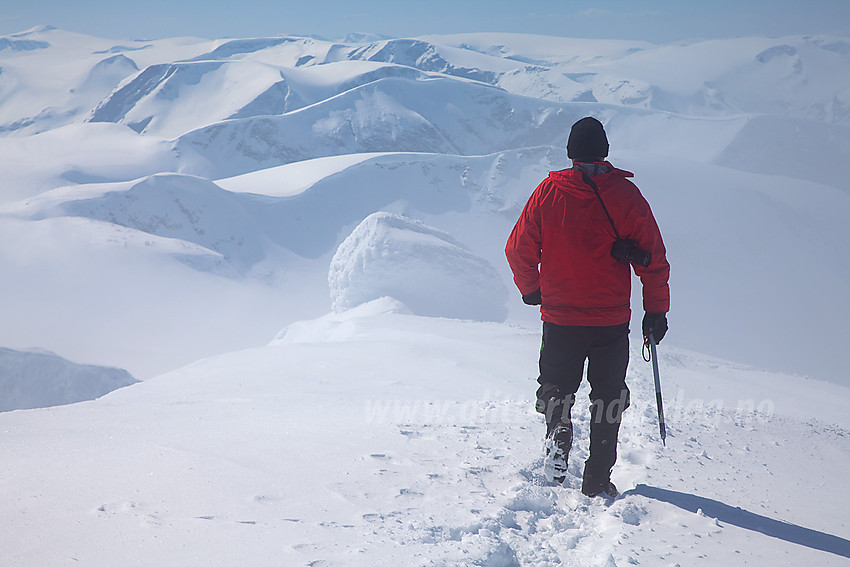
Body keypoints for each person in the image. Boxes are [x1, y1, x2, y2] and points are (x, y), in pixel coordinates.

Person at [505, 116, 670, 498]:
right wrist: (656, 310)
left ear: (570, 154)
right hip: (610, 320)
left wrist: (532, 289)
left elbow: (517, 249)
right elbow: (654, 259)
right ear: (605, 151)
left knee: (555, 386)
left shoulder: (548, 192)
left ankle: (559, 425)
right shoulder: (627, 196)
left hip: (561, 318)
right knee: (608, 397)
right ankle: (596, 477)